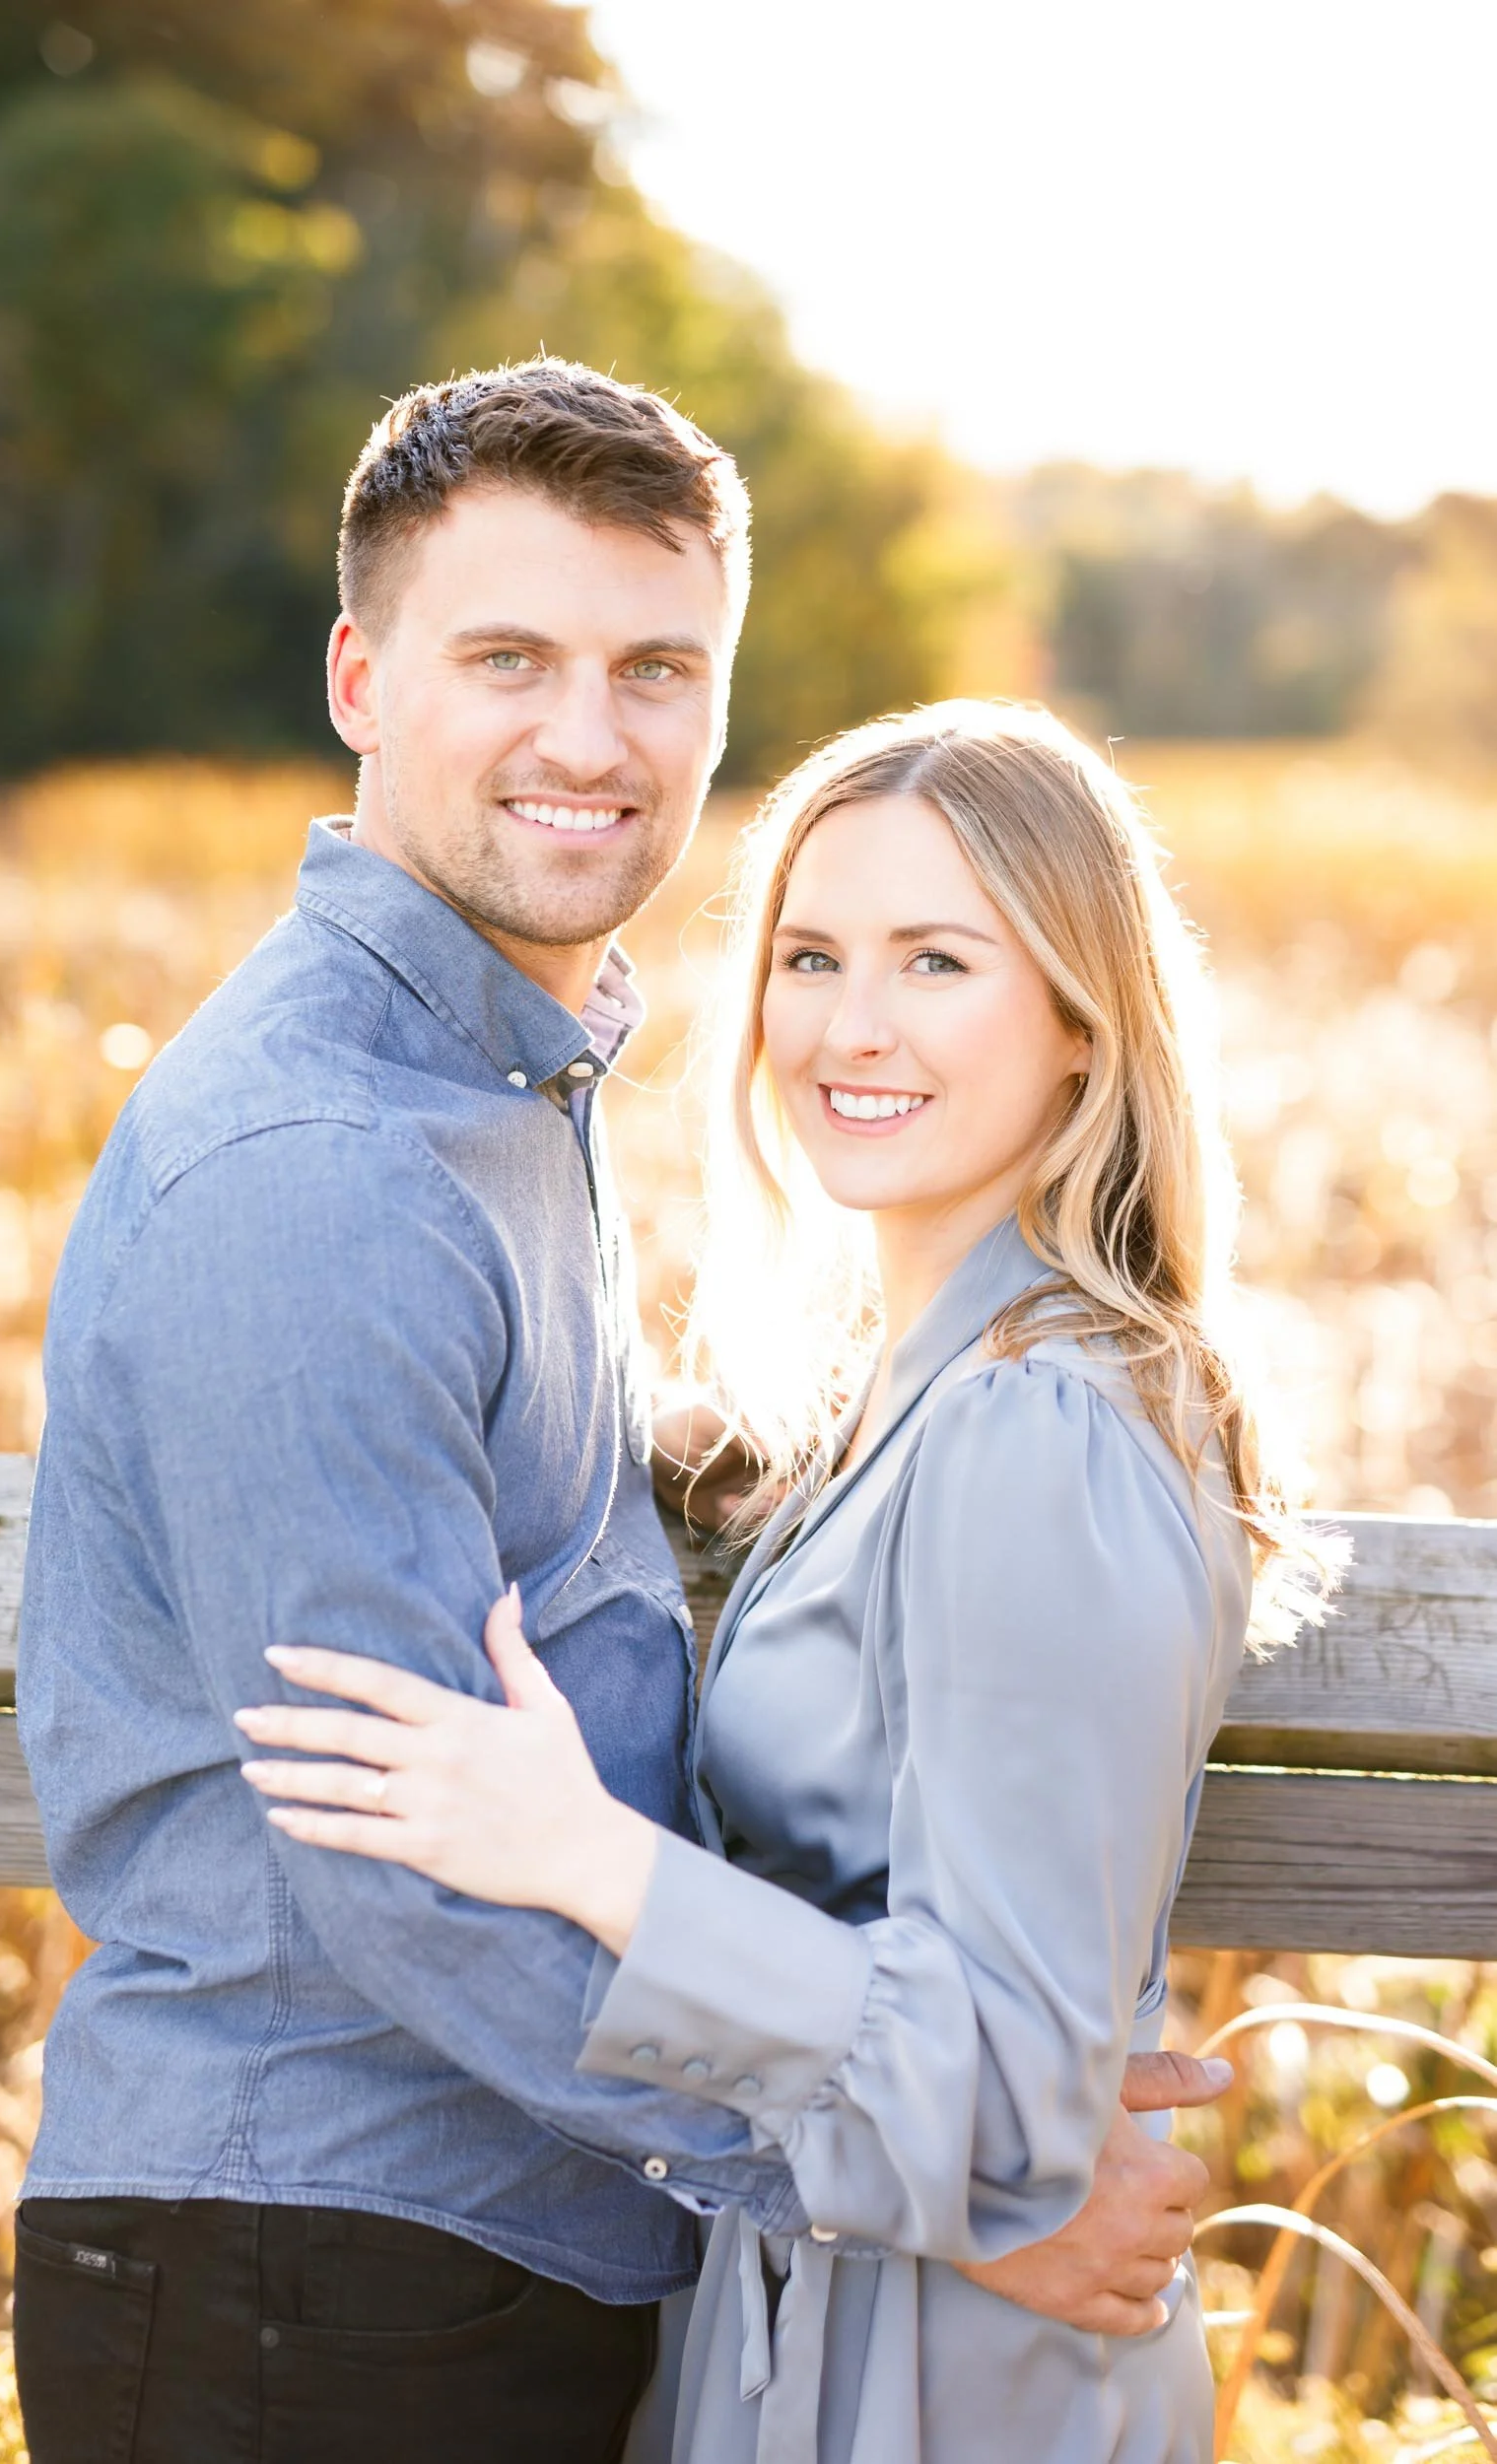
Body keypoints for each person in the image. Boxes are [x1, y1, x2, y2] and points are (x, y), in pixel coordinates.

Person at [15, 361, 1231, 2464]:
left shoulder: (505, 1090)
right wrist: (949, 2187)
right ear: (359, 676)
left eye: (654, 666)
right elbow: (401, 1873)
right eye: (508, 656)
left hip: (496, 2264)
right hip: (312, 2267)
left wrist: (704, 1466)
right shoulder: (330, 1158)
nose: (589, 736)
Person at [236, 700, 1336, 2463]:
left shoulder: (1037, 1428)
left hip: (952, 2374)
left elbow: (999, 2096)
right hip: (840, 2305)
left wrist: (591, 1862)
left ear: (1078, 1021)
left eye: (936, 960)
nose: (851, 1024)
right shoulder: (914, 1389)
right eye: (812, 955)